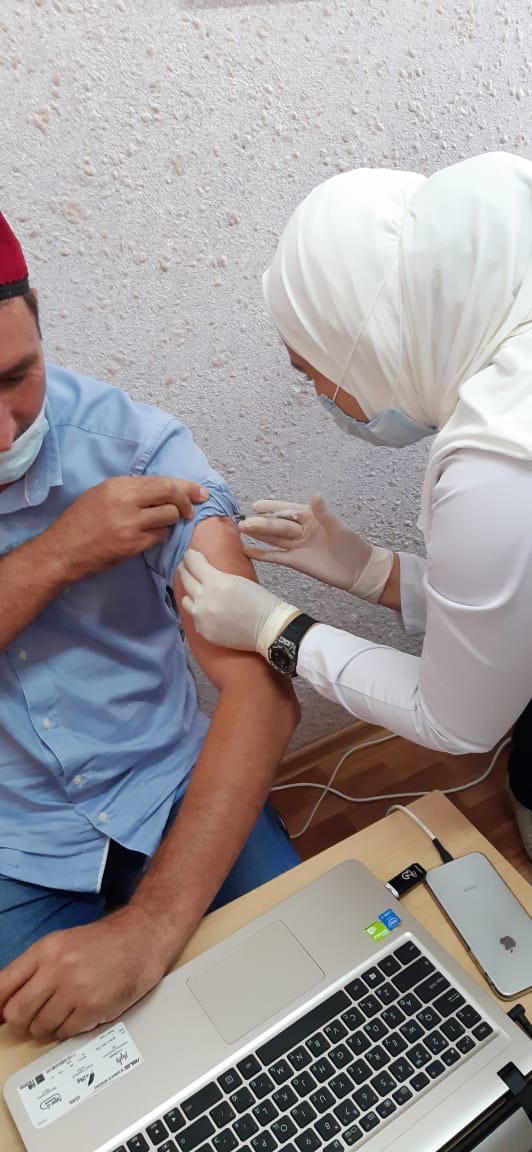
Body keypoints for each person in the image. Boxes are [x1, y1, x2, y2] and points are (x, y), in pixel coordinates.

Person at [178, 152, 532, 860]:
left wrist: (275, 628)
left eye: (310, 368)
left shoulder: (499, 464)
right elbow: (515, 608)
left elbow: (457, 722)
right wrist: (370, 570)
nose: (320, 395)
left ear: (365, 338)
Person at [0, 212, 300, 1040]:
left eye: (16, 376)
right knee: (46, 1086)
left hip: (171, 786)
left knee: (302, 1004)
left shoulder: (135, 449)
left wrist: (148, 931)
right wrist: (58, 554)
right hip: (14, 840)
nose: (2, 431)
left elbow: (261, 687)